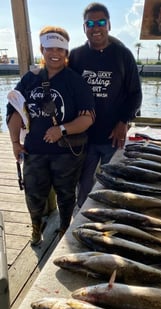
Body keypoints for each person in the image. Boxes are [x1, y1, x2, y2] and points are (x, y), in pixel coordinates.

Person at [6, 26, 95, 245]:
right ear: (42, 49)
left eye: (60, 49)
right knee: (33, 193)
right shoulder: (30, 78)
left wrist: (61, 130)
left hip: (66, 153)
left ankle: (65, 225)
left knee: (66, 195)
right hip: (33, 150)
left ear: (66, 52)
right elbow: (14, 111)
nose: (55, 53)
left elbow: (88, 118)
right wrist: (15, 143)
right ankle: (36, 226)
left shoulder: (75, 81)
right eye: (49, 48)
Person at [69, 2, 142, 208]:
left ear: (109, 25)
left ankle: (112, 219)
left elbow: (135, 93)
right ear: (84, 28)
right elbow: (61, 83)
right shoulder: (75, 56)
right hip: (83, 137)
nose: (96, 27)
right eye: (89, 23)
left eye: (101, 22)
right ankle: (82, 219)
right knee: (83, 184)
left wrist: (124, 121)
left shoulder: (123, 55)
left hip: (113, 135)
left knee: (114, 185)